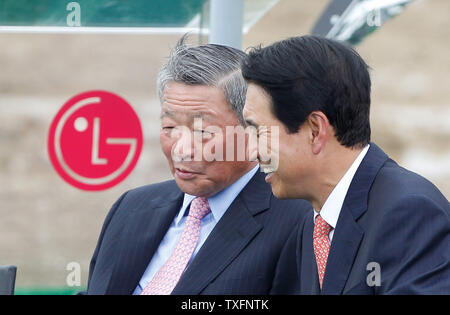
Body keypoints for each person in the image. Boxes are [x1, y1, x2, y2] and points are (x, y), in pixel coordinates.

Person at [84, 36, 311, 295]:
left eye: (203, 131)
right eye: (169, 127)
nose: (181, 149)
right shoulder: (132, 208)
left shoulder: (298, 221)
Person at [242, 35, 450, 294]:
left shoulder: (410, 212)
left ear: (316, 130)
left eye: (259, 132)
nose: (251, 152)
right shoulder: (314, 225)